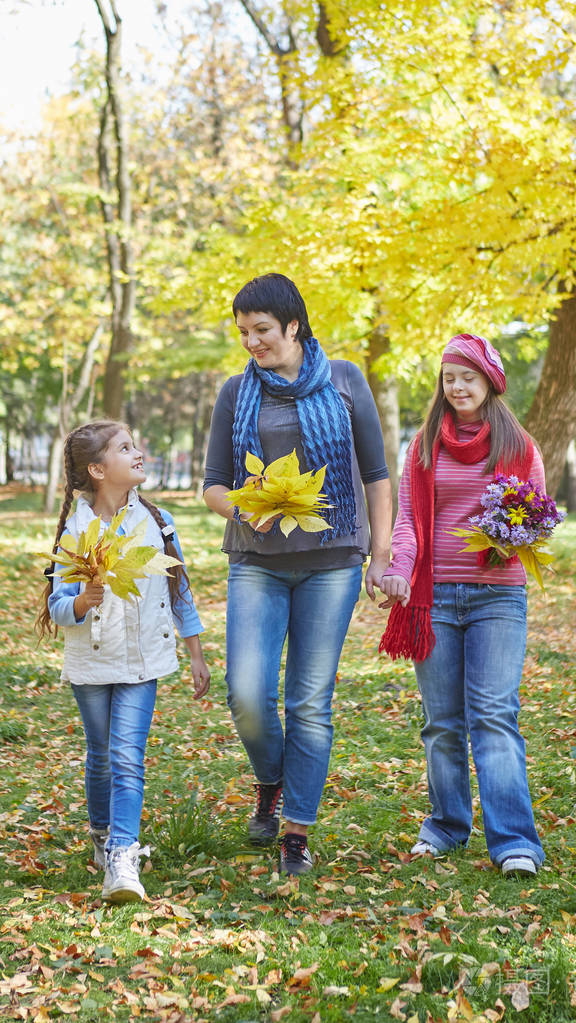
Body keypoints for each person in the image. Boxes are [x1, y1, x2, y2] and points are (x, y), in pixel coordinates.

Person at [203, 272, 392, 875]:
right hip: (255, 560)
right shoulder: (236, 392)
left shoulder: (344, 381)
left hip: (332, 560)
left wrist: (381, 551)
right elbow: (212, 484)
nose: (252, 342)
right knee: (249, 694)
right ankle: (272, 780)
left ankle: (295, 833)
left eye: (262, 330)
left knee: (310, 701)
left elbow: (376, 474)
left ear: (294, 326)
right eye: (243, 333)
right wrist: (245, 506)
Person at [378, 334, 545, 878]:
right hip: (435, 601)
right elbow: (407, 521)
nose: (457, 386)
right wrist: (398, 571)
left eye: (467, 376)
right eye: (449, 378)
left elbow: (536, 516)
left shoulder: (518, 446)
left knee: (494, 717)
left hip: (498, 595)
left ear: (490, 381)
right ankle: (447, 825)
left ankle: (514, 841)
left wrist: (514, 534)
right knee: (443, 723)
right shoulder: (424, 445)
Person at [36, 421, 211, 903]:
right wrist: (83, 600)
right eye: (126, 448)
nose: (139, 453)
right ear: (97, 469)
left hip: (144, 659)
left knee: (127, 757)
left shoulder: (157, 522)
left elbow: (180, 589)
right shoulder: (76, 532)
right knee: (101, 756)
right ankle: (101, 835)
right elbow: (57, 606)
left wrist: (194, 651)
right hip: (92, 660)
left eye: (137, 444)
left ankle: (121, 855)